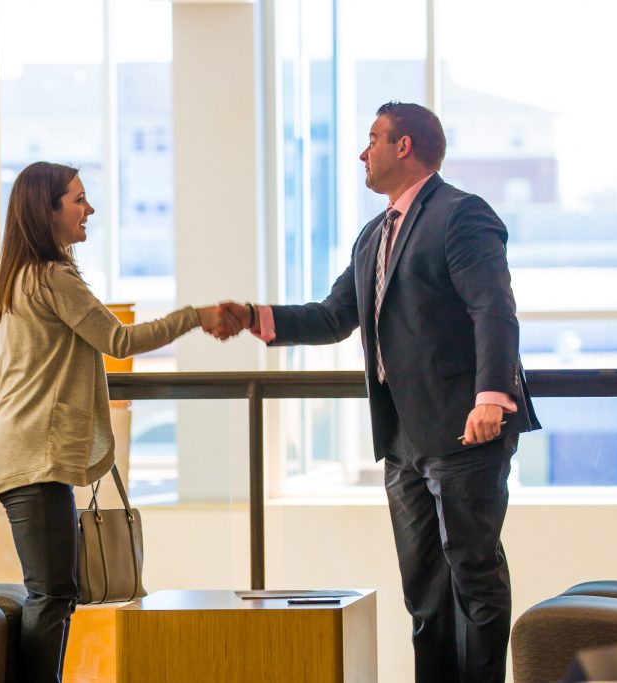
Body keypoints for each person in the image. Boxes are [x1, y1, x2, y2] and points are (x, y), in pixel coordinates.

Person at [219, 102, 540, 682]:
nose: (361, 153)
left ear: (405, 147)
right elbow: (333, 315)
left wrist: (491, 396)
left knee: (475, 578)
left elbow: (493, 308)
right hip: (402, 439)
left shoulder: (461, 215)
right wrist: (253, 315)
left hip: (466, 429)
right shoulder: (373, 236)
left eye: (372, 140)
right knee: (423, 594)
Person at [0, 161, 239, 682]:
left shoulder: (20, 278)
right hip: (33, 460)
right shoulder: (52, 277)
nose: (88, 209)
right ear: (46, 211)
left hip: (24, 455)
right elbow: (119, 342)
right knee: (53, 595)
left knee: (54, 592)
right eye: (78, 199)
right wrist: (196, 315)